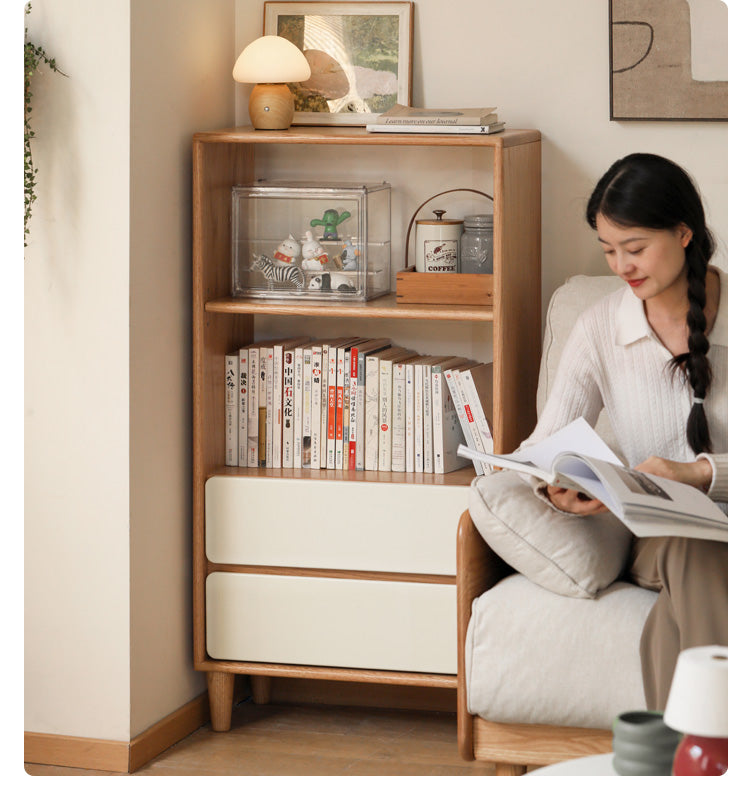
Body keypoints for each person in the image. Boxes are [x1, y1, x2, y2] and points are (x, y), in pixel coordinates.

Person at [522, 153, 728, 710]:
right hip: (665, 536)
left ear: (684, 233)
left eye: (634, 248)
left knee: (673, 616)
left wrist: (698, 473)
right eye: (608, 250)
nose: (621, 266)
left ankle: (680, 759)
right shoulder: (599, 329)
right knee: (694, 539)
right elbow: (549, 440)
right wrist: (556, 480)